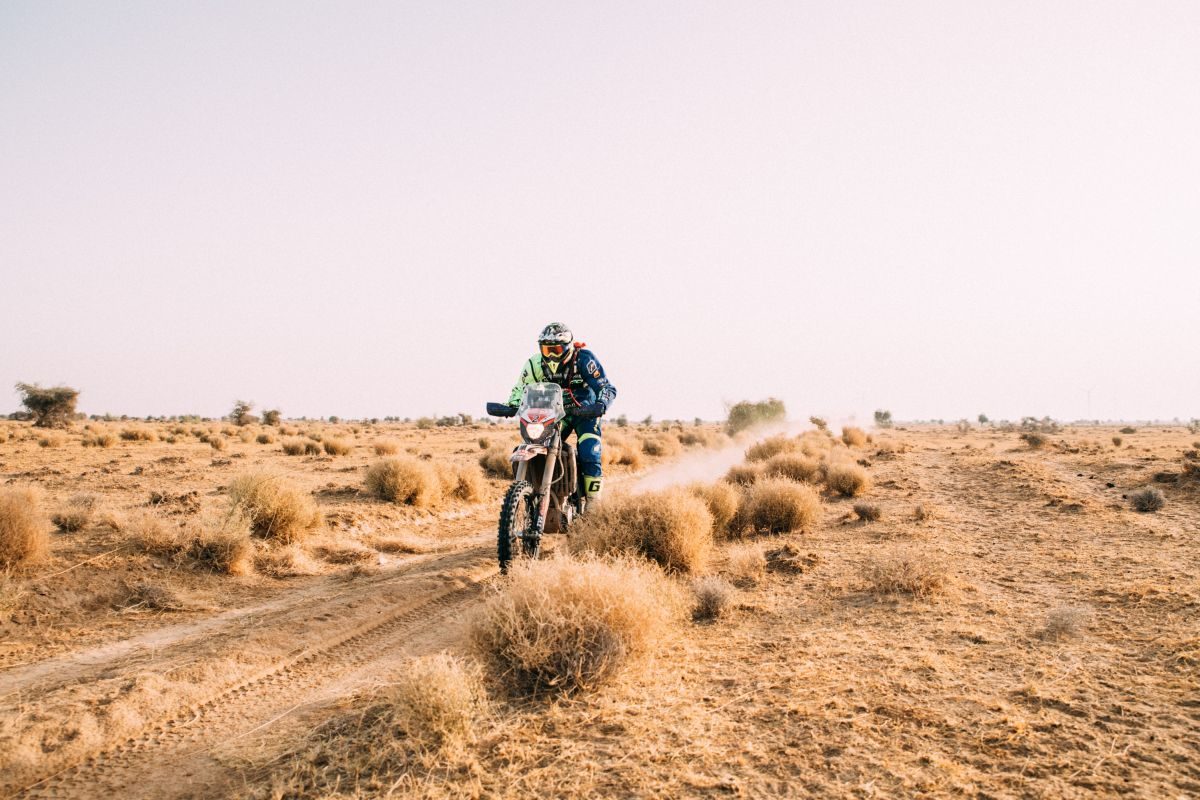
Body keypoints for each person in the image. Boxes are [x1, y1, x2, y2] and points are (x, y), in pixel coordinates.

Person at [507, 322, 617, 501]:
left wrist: (601, 404)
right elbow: (521, 388)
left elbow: (606, 387)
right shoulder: (534, 364)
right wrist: (512, 404)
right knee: (540, 445)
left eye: (556, 350)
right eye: (546, 350)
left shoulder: (584, 359)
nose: (550, 356)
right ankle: (540, 493)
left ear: (568, 348)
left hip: (585, 413)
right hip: (556, 414)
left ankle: (593, 505)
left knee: (590, 453)